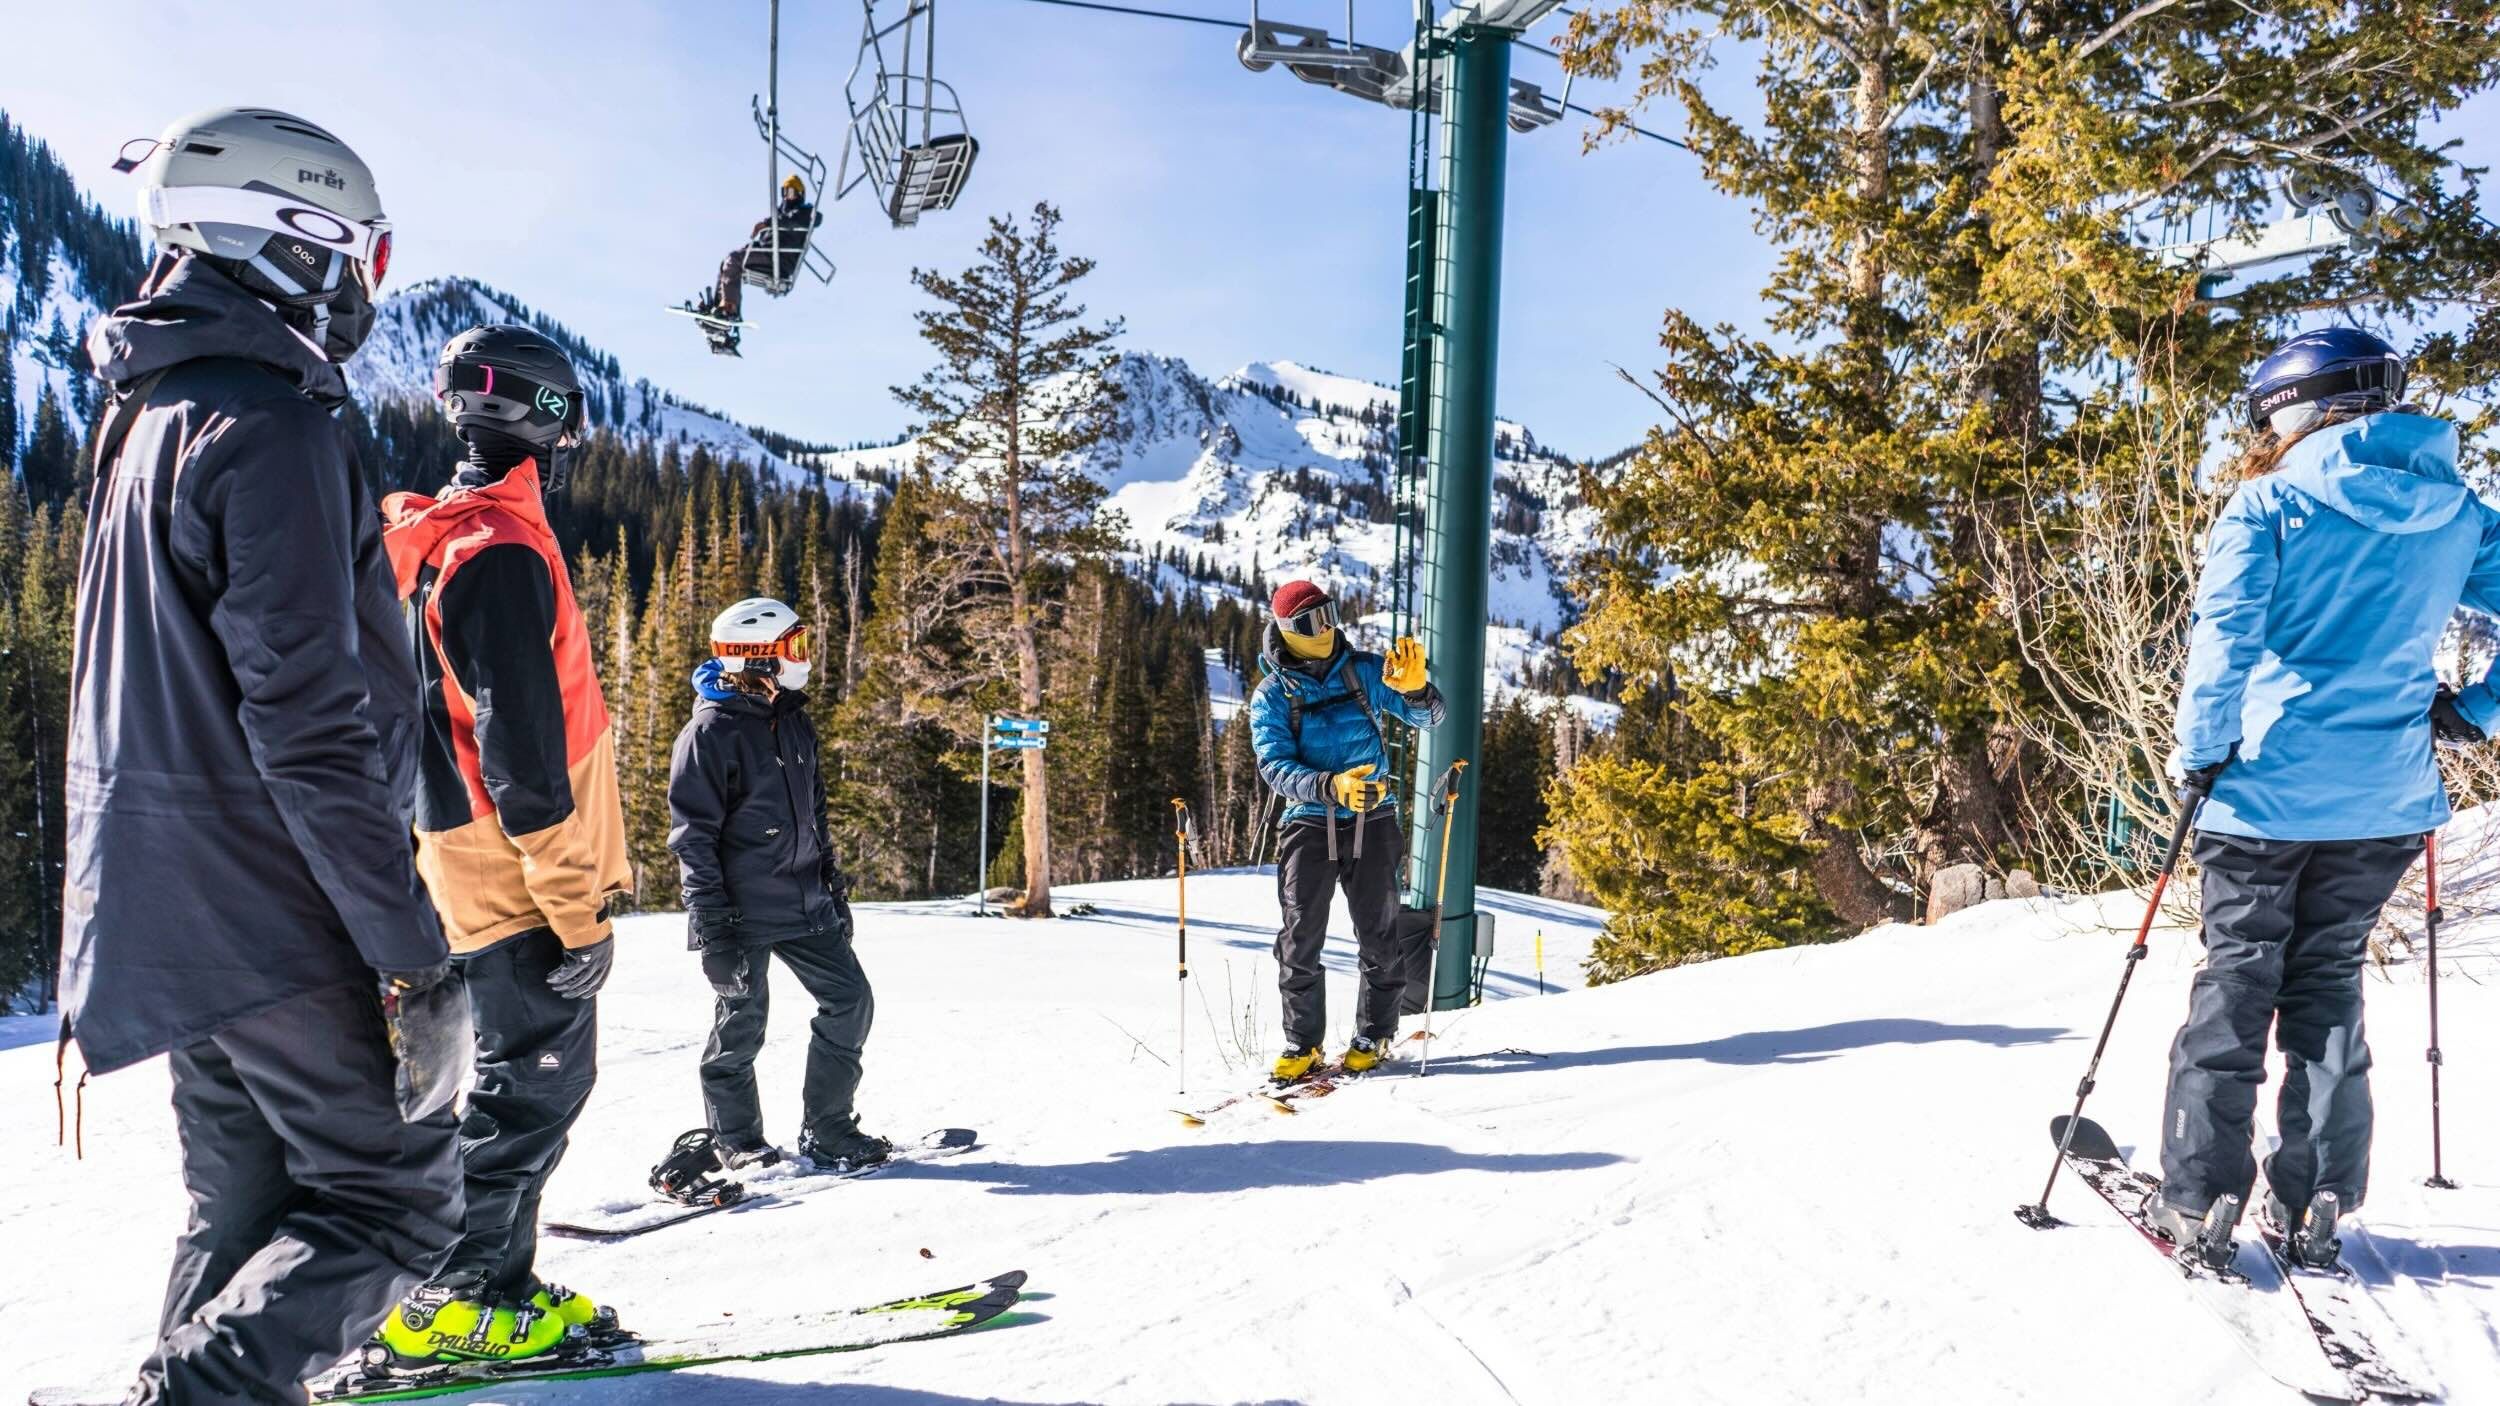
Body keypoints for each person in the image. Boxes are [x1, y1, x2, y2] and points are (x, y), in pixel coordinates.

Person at [66, 106, 464, 1403]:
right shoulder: (272, 426)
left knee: (240, 1207)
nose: (360, 288)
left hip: (169, 901)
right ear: (285, 239)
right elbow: (308, 726)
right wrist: (411, 953)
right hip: (269, 905)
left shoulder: (154, 414)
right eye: (359, 255)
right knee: (394, 1198)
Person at [2152, 326, 2500, 1270]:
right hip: (2385, 798)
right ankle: (2319, 1196)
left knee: (2237, 983)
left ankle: (2199, 1197)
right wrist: (2477, 710)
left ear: (2296, 408)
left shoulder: (2269, 503)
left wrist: (2200, 756)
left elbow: (2222, 643)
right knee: (2328, 984)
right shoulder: (2458, 512)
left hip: (2262, 793)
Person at [370, 325, 634, 1365]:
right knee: (530, 1089)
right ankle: (454, 1301)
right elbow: (524, 758)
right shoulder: (501, 551)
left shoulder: (443, 535)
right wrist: (577, 912)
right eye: (567, 423)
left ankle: (496, 1285)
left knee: (515, 1086)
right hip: (514, 880)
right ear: (546, 419)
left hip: (457, 862)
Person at [669, 597, 886, 1170]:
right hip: (740, 913)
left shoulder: (791, 720)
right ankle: (738, 1141)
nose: (804, 657)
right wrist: (713, 932)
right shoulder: (709, 734)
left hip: (806, 902)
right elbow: (693, 841)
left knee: (851, 1002)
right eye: (795, 646)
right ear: (757, 655)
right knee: (741, 1026)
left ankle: (829, 1130)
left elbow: (815, 816)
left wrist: (833, 889)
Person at [1245, 580, 1445, 1082]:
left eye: (1330, 614)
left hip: (1373, 820)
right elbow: (1274, 767)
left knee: (1379, 931)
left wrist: (1416, 689)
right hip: (1308, 823)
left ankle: (1375, 1033)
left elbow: (1431, 718)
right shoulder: (1273, 695)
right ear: (1287, 631)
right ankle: (1303, 1042)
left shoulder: (1365, 671)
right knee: (1300, 936)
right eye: (1312, 622)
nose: (1327, 628)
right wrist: (1331, 786)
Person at [687, 175, 823, 357]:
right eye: (785, 192)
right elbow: (770, 234)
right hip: (769, 254)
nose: (787, 196)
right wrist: (759, 234)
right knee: (727, 263)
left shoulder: (805, 213)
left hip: (779, 260)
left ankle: (729, 309)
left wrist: (766, 224)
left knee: (733, 260)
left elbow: (809, 219)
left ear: (800, 194)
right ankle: (717, 310)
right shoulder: (779, 216)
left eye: (791, 192)